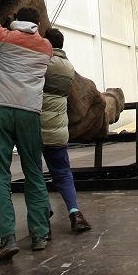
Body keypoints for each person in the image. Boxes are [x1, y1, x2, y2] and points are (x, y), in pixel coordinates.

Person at [0, 6, 53, 261]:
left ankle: (7, 237)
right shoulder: (46, 47)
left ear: (16, 20)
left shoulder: (2, 38)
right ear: (37, 23)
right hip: (30, 112)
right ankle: (39, 234)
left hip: (0, 110)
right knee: (34, 172)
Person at [40, 28, 91, 234]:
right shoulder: (68, 67)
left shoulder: (43, 63)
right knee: (63, 173)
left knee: (35, 173)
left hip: (36, 127)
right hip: (59, 129)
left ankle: (43, 212)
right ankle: (74, 212)